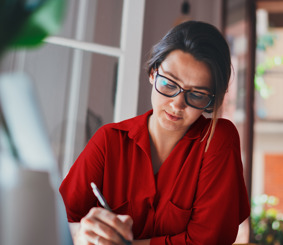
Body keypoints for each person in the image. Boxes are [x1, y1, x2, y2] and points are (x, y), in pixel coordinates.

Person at [59, 20, 250, 245]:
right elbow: (59, 221)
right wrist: (82, 234)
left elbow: (208, 240)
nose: (177, 104)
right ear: (153, 73)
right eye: (169, 84)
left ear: (211, 100)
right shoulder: (109, 141)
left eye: (197, 95)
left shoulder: (218, 139)